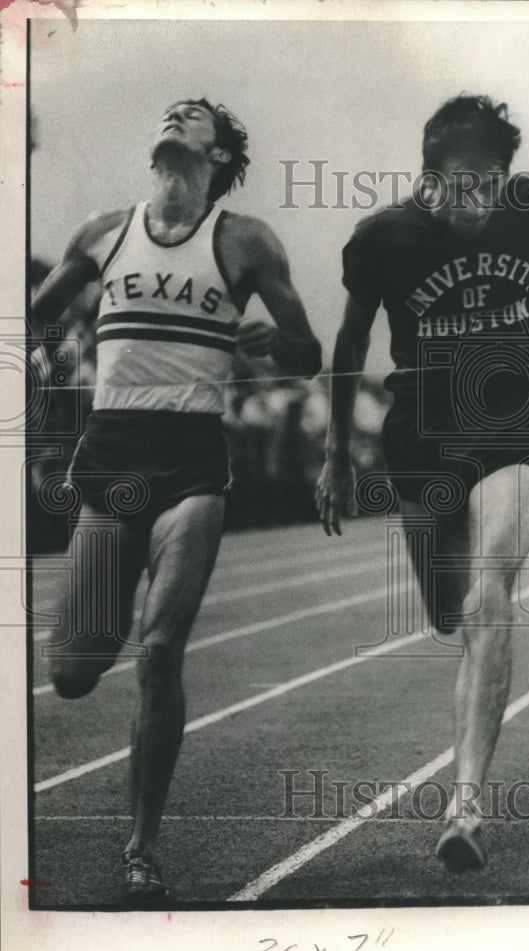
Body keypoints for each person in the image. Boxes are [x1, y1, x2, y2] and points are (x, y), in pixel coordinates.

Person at [316, 95, 529, 872]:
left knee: (487, 593)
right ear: (429, 179)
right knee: (443, 607)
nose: (477, 201)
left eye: (490, 184)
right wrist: (334, 451)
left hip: (509, 425)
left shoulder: (523, 210)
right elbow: (351, 339)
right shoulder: (383, 239)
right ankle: (453, 611)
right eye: (462, 184)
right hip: (421, 434)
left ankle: (466, 803)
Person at [32, 98, 322, 903]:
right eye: (170, 111)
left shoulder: (244, 241)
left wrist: (276, 344)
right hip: (111, 460)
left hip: (192, 463)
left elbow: (308, 354)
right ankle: (115, 587)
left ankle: (141, 848)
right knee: (74, 674)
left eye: (193, 115)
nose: (175, 117)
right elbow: (31, 319)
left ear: (218, 152)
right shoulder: (101, 233)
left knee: (160, 653)